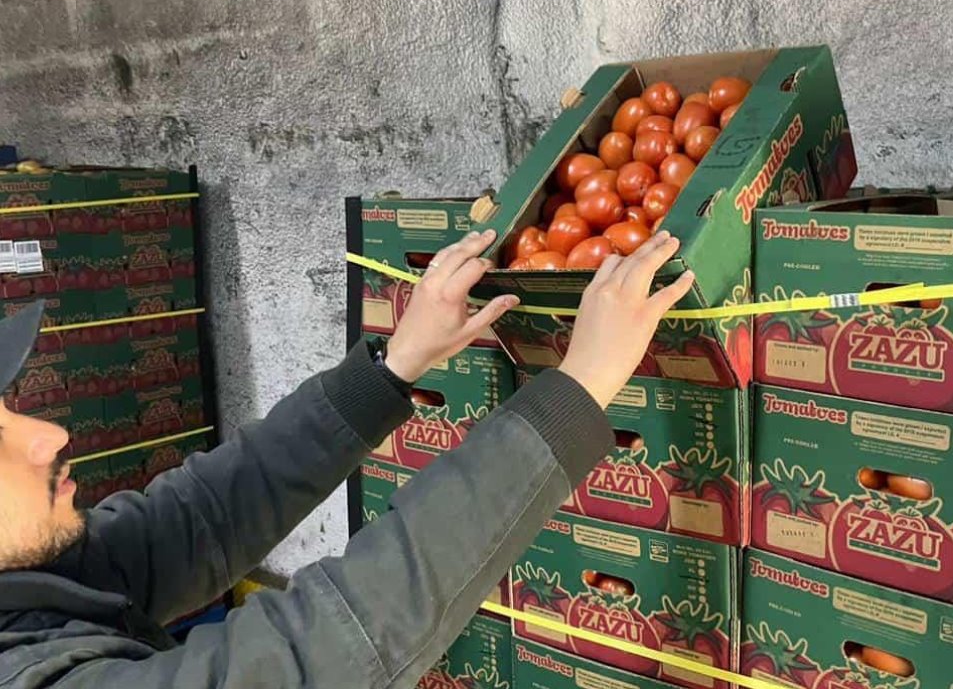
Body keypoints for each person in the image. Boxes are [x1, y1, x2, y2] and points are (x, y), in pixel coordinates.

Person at [0, 229, 696, 688]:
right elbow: (319, 654)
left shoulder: (26, 589)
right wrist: (574, 393)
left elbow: (201, 518)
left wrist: (393, 369)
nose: (47, 436)